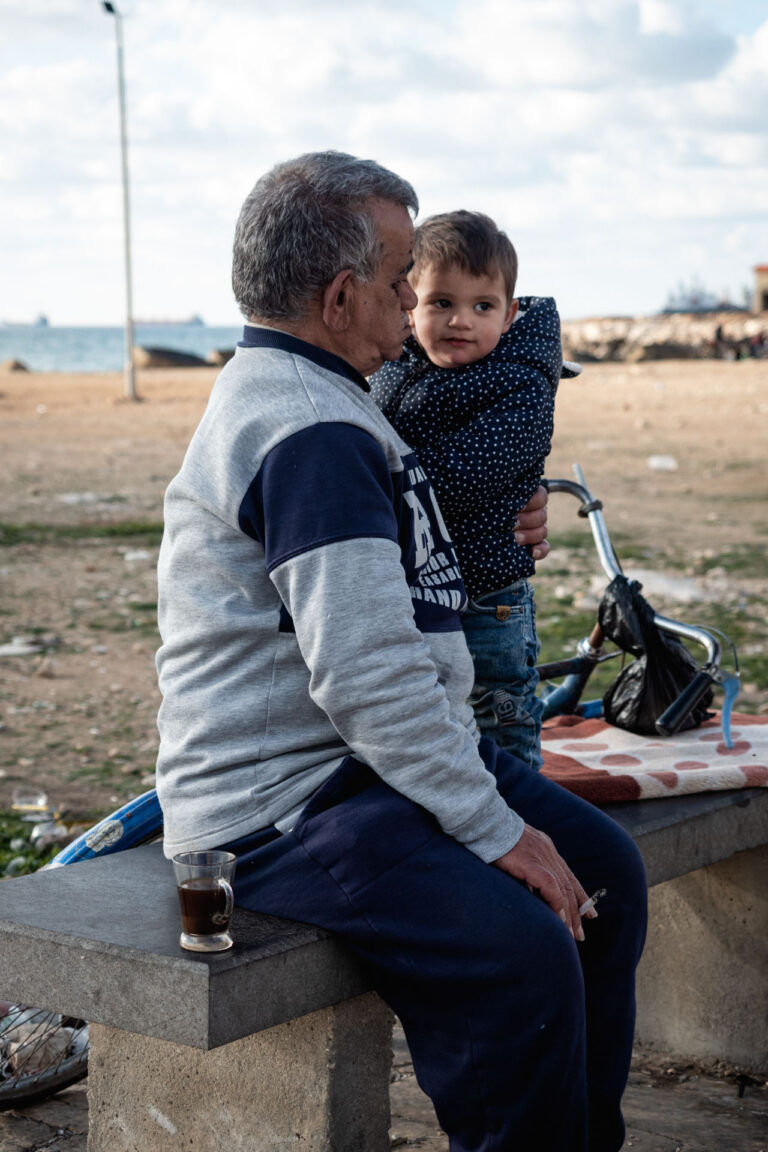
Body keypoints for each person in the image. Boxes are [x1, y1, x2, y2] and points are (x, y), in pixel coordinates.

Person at [155, 150, 647, 1152]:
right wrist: (496, 832)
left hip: (366, 770)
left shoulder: (332, 399)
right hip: (284, 809)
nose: (409, 304)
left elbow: (398, 570)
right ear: (341, 298)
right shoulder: (309, 430)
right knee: (524, 953)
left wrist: (510, 519)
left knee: (603, 869)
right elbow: (368, 677)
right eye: (394, 284)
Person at [371, 210, 577, 770]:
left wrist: (369, 479)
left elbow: (460, 475)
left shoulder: (521, 384)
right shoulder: (394, 367)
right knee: (429, 713)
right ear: (410, 303)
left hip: (489, 598)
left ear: (510, 315)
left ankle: (521, 814)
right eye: (442, 303)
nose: (461, 321)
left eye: (482, 306)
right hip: (420, 588)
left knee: (500, 711)